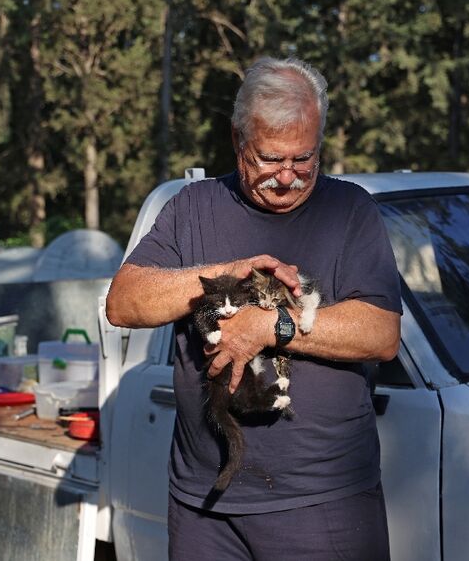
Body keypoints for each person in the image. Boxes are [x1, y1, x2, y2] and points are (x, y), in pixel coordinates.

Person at [105, 56, 402, 561]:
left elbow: (381, 334)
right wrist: (227, 275)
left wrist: (273, 325)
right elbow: (123, 302)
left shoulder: (351, 211)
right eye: (269, 159)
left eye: (303, 159)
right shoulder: (191, 208)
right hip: (204, 502)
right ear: (238, 140)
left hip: (322, 501)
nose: (287, 177)